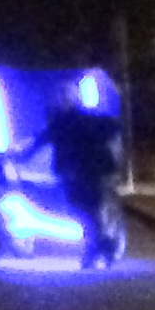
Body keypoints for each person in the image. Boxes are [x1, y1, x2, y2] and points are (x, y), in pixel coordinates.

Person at [45, 85, 124, 270]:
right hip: (81, 171)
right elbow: (45, 138)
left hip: (86, 171)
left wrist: (21, 154)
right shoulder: (72, 119)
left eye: (64, 98)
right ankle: (102, 246)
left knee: (87, 210)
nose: (61, 101)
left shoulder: (69, 120)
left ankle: (101, 247)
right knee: (85, 211)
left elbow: (44, 139)